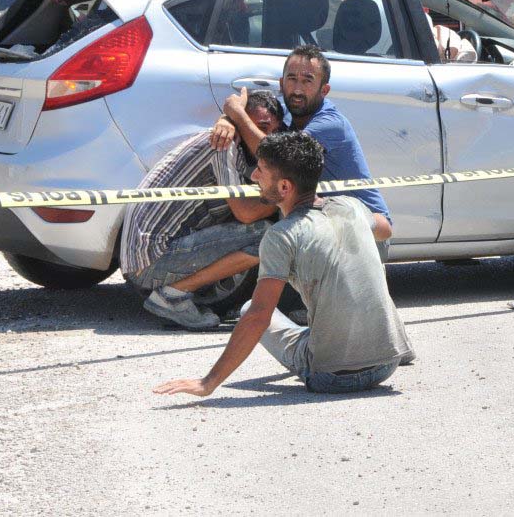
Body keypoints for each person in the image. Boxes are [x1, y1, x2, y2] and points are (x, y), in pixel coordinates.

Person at [153, 132, 414, 396]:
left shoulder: (281, 236)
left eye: (262, 171)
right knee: (366, 259)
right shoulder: (351, 206)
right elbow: (385, 230)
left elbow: (258, 317)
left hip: (333, 378)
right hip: (386, 364)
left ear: (285, 188)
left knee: (246, 309)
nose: (254, 176)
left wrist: (207, 382)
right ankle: (391, 342)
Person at [121, 91, 284, 329]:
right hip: (148, 263)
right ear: (242, 121)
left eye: (272, 132)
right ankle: (172, 297)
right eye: (259, 127)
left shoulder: (234, 145)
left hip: (145, 258)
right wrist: (284, 200)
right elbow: (245, 213)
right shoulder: (221, 144)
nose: (263, 137)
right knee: (268, 236)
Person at [211, 45, 394, 250]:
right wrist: (226, 120)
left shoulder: (329, 124)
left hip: (364, 232)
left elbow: (278, 158)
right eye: (291, 79)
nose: (297, 89)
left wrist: (236, 115)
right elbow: (245, 106)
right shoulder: (288, 110)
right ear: (281, 84)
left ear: (324, 90)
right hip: (322, 221)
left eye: (307, 81)